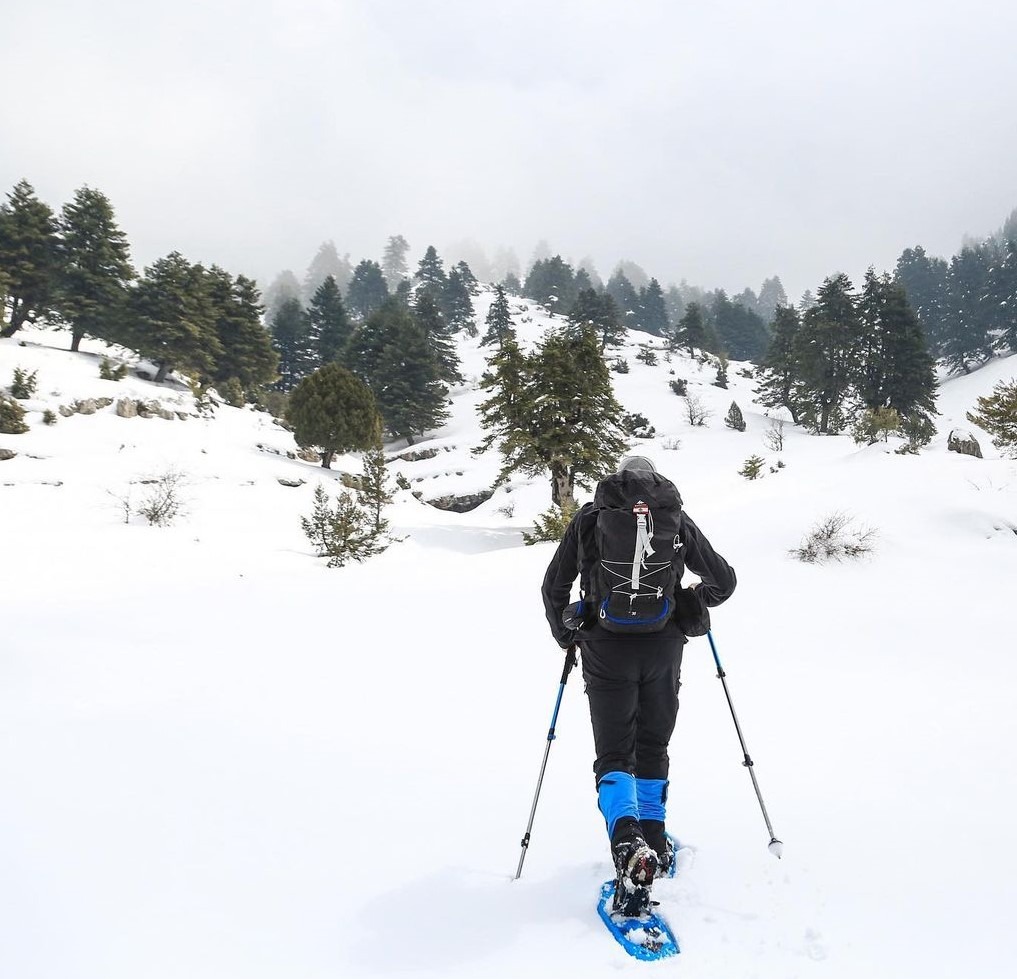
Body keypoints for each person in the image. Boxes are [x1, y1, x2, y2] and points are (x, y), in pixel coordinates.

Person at [541, 454, 736, 912]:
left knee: (614, 753)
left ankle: (629, 844)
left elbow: (554, 586)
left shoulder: (591, 518)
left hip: (604, 649)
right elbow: (723, 582)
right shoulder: (674, 518)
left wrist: (567, 633)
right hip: (664, 647)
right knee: (653, 745)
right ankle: (654, 836)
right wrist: (690, 599)